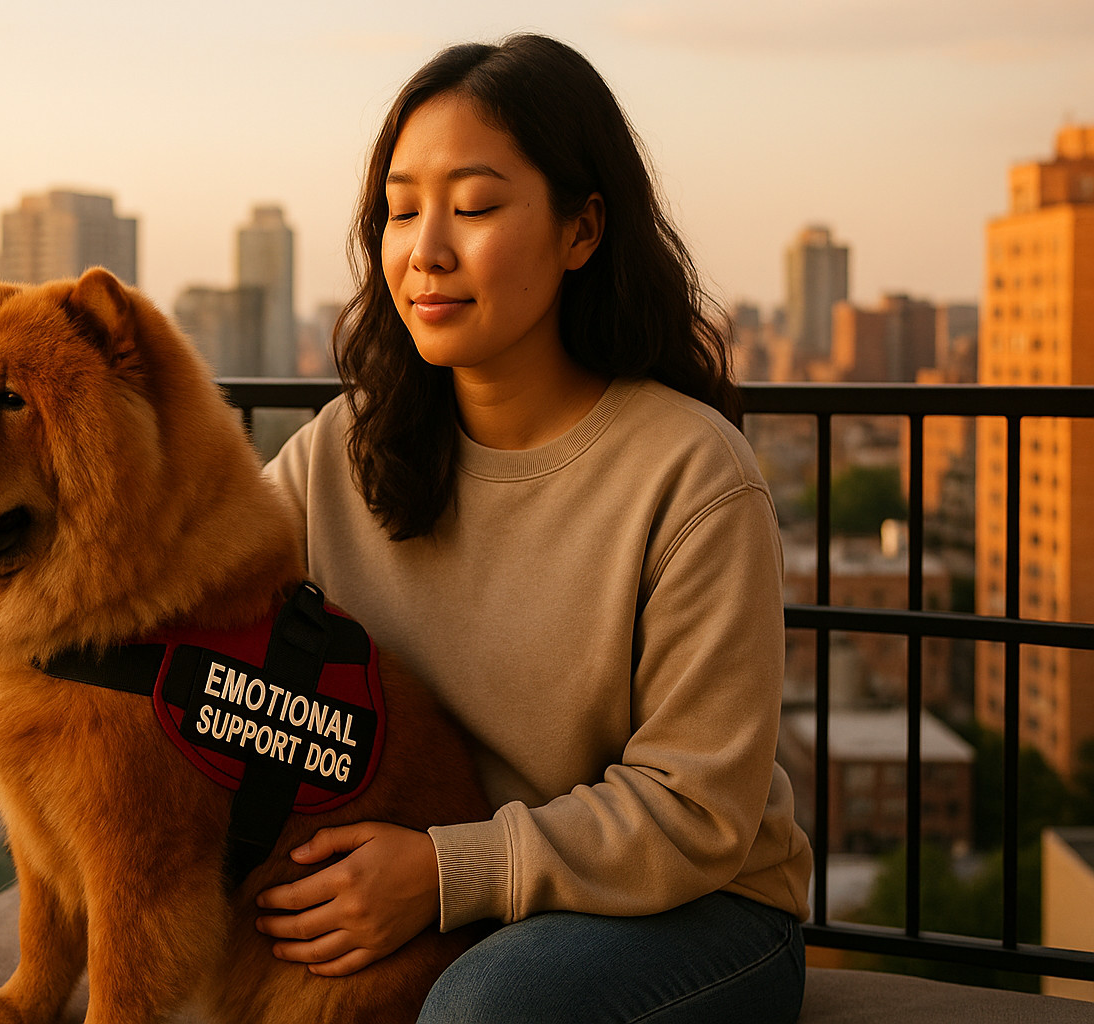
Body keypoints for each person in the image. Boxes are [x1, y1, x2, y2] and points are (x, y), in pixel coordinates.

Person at [253, 33, 813, 1024]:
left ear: (582, 229)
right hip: (447, 884)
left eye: (471, 207)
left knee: (487, 1012)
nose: (426, 249)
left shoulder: (691, 474)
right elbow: (194, 590)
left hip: (692, 905)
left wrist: (442, 871)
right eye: (400, 210)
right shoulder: (344, 449)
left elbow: (695, 809)